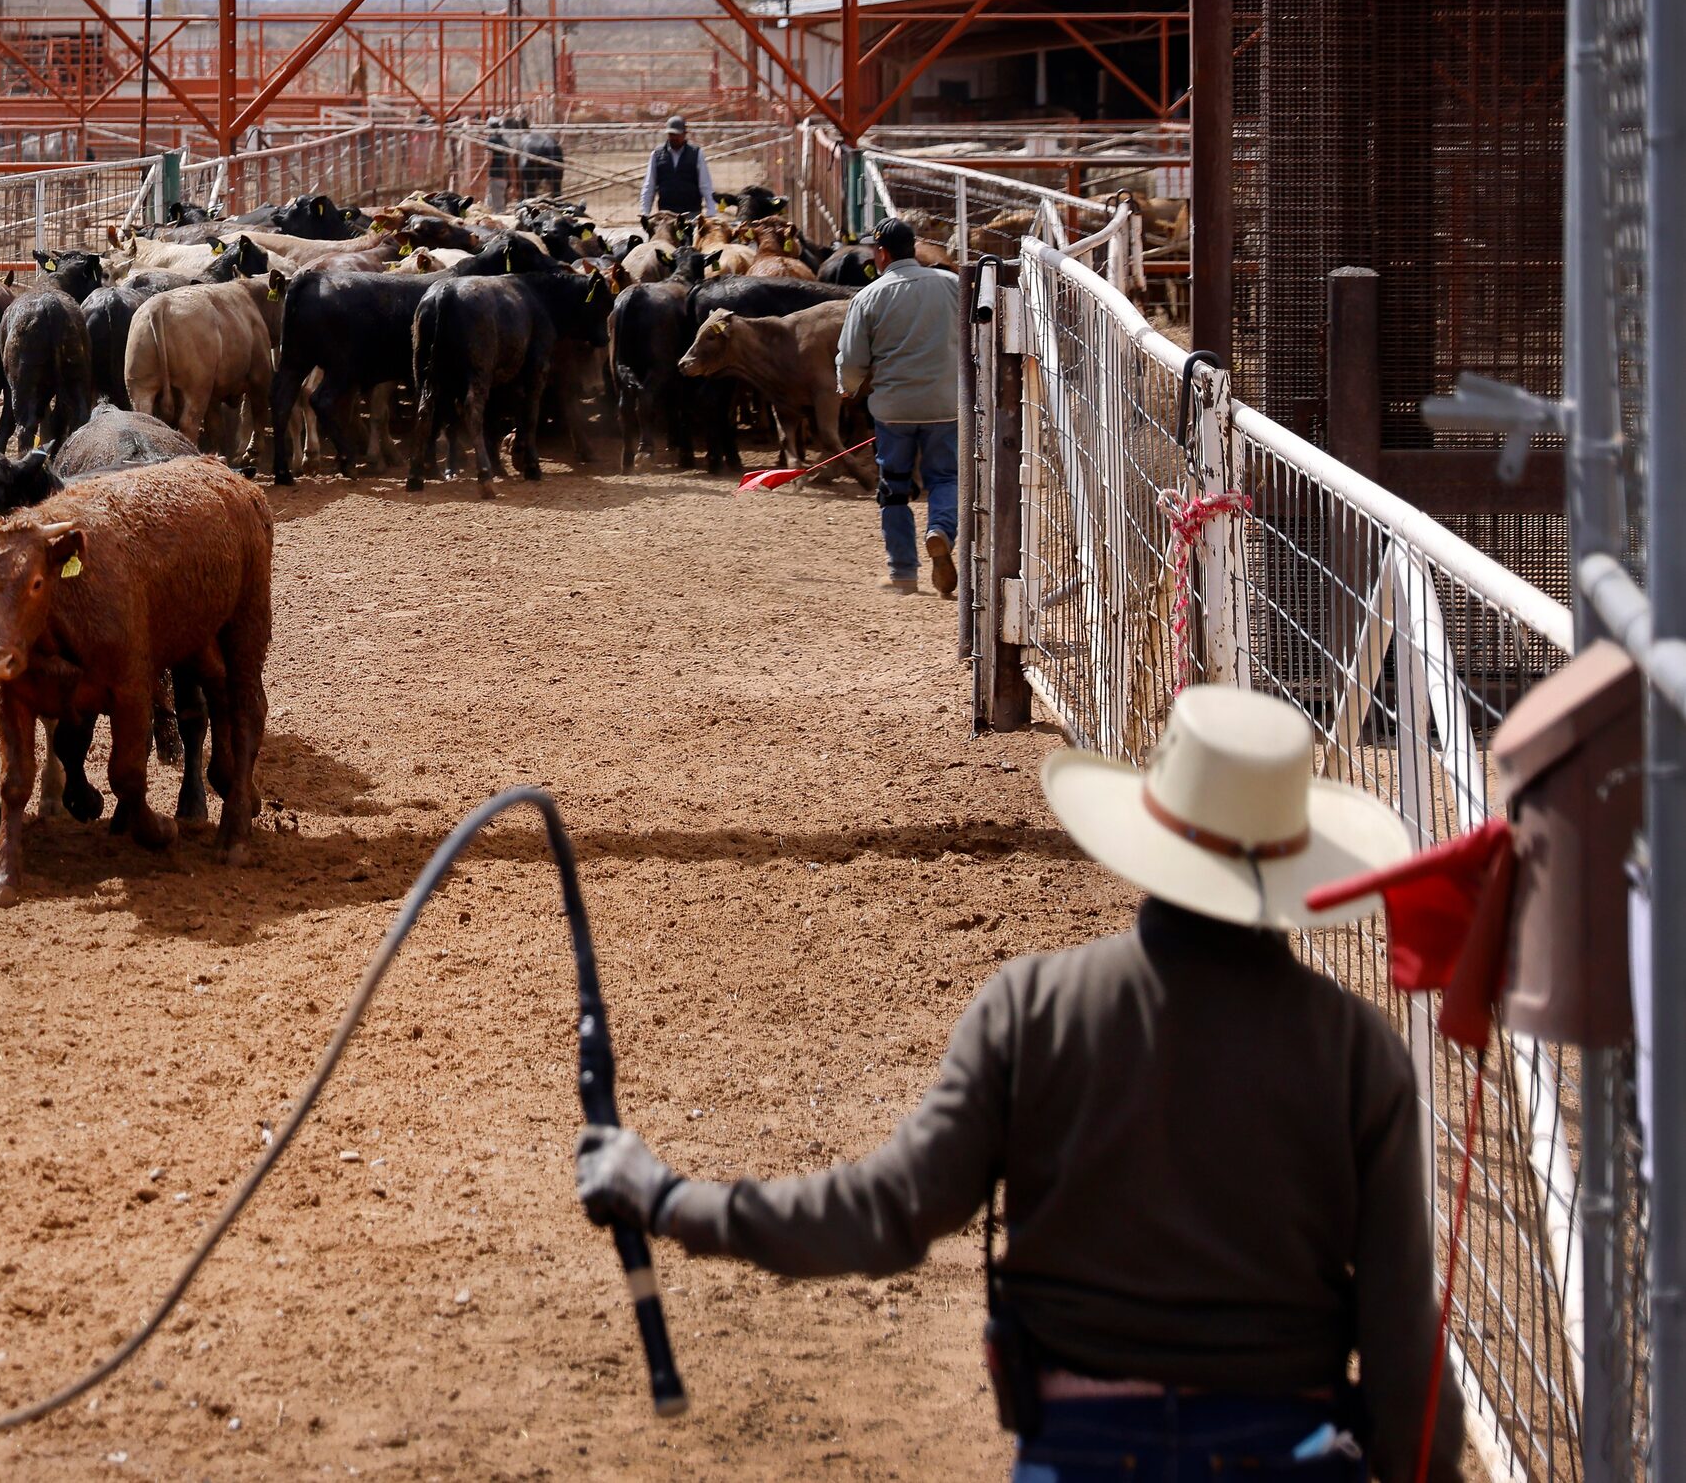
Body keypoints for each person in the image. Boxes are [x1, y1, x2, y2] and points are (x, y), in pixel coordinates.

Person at [576, 682, 1464, 1483]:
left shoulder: (1030, 1008)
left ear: (1149, 834)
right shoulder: (1359, 1053)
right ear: (1294, 863)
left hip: (1077, 1450)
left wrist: (669, 1199)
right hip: (1281, 1453)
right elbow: (1400, 1345)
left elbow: (886, 1214)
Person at [837, 216, 961, 594]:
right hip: (946, 404)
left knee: (893, 486)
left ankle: (903, 571)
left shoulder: (868, 296)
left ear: (882, 253)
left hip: (893, 409)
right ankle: (940, 529)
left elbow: (853, 359)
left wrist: (847, 387)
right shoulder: (953, 285)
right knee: (945, 477)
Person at [637, 116, 712, 217]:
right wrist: (644, 212)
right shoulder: (656, 154)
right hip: (666, 215)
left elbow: (705, 185)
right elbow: (649, 185)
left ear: (684, 134)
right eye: (671, 134)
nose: (674, 138)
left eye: (677, 134)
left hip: (691, 213)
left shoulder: (696, 154)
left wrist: (711, 212)